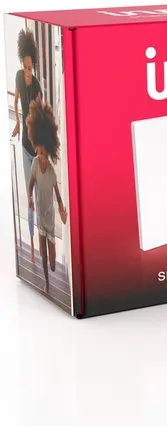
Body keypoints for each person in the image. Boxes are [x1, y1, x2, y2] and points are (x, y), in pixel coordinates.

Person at [26, 99, 67, 293]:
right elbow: (30, 184)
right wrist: (29, 198)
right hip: (40, 216)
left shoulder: (51, 172)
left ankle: (51, 265)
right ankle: (47, 283)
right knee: (42, 252)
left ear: (49, 150)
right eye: (39, 152)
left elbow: (57, 195)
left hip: (50, 217)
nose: (41, 156)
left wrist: (62, 209)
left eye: (44, 153)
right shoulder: (34, 164)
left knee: (52, 258)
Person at [12, 28, 42, 263]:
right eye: (25, 66)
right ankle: (31, 243)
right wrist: (17, 124)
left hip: (37, 148)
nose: (28, 71)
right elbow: (15, 101)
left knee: (40, 198)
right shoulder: (18, 77)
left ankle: (41, 241)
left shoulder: (37, 85)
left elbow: (41, 116)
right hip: (24, 146)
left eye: (30, 67)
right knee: (29, 195)